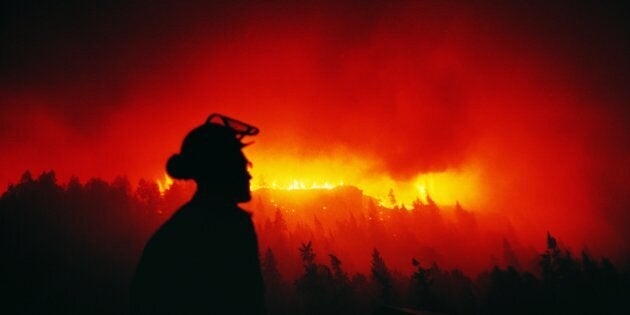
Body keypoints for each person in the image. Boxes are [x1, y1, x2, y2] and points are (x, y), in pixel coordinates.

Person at [130, 114, 265, 314]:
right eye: (241, 166)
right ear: (221, 170)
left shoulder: (180, 229)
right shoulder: (220, 230)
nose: (248, 175)